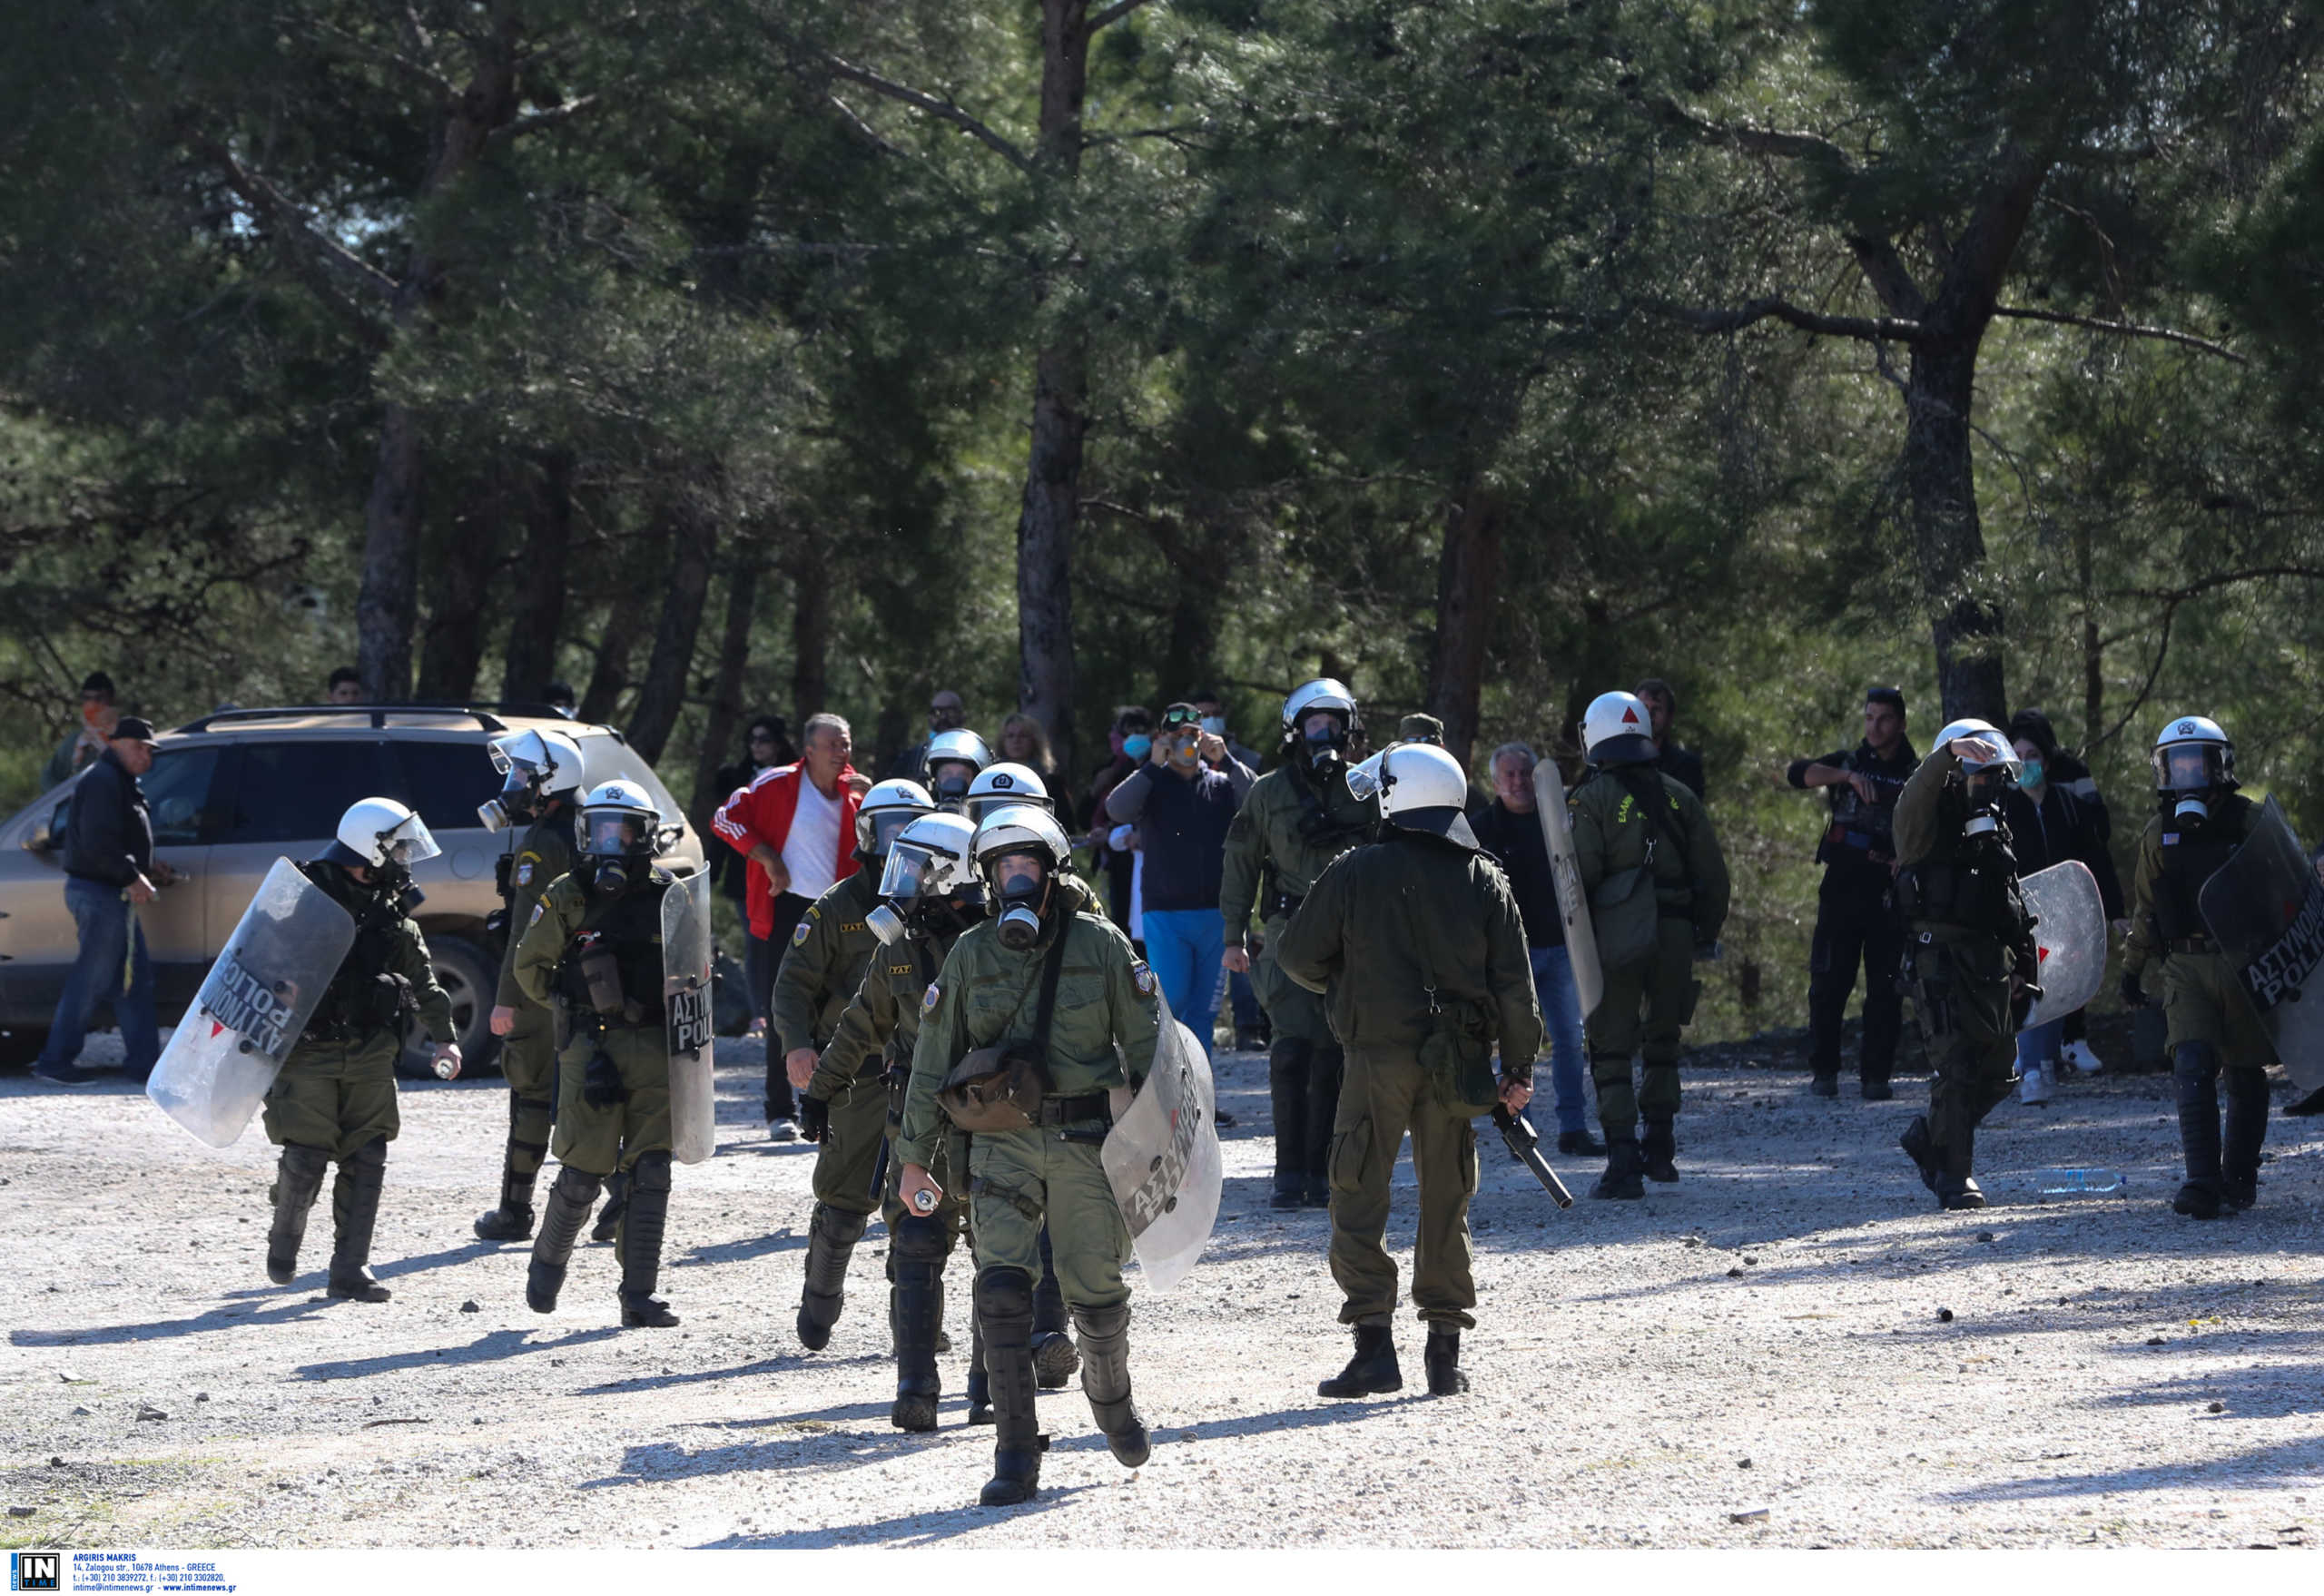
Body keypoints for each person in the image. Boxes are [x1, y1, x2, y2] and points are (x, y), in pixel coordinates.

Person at [896, 805, 1163, 1508]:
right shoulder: (971, 954)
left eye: (1028, 866)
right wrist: (913, 1158)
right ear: (987, 878)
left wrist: (1166, 1144)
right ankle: (1015, 1454)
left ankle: (1113, 1402)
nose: (1017, 879)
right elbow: (932, 1060)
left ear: (1052, 873)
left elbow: (1149, 1050)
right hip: (1000, 1144)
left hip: (1084, 1146)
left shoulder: (1102, 946)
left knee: (1096, 1297)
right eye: (1003, 868)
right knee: (1003, 1293)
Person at [1276, 742, 1541, 1400]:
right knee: (1446, 1200)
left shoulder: (1352, 871)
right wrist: (1519, 1068)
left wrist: (1345, 980)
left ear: (1396, 796)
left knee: (1357, 1193)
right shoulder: (1486, 878)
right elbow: (1517, 989)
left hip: (1375, 1060)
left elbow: (1297, 958)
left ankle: (1373, 1349)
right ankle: (1443, 1357)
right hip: (1462, 1066)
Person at [810, 811, 989, 1430]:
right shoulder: (901, 951)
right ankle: (917, 1386)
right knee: (916, 1239)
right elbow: (860, 1025)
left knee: (999, 1245)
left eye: (913, 869)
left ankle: (990, 1385)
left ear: (949, 876)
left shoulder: (1001, 945)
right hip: (918, 1113)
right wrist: (820, 1089)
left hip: (996, 1115)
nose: (899, 882)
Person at [260, 799, 462, 1302]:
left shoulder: (392, 916)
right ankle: (284, 1239)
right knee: (306, 1157)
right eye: (397, 847)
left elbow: (424, 983)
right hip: (307, 1051)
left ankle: (350, 1268)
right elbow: (255, 963)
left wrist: (446, 1038)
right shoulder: (299, 901)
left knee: (368, 1155)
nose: (405, 857)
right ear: (371, 850)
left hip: (371, 1049)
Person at [515, 781, 688, 1327]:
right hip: (592, 1048)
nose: (613, 842)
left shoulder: (670, 893)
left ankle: (639, 1297)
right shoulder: (567, 892)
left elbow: (695, 970)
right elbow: (530, 968)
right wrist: (577, 1006)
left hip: (656, 1050)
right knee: (584, 1169)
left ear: (645, 834)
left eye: (625, 830)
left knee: (653, 1169)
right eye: (602, 830)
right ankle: (546, 1267)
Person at [781, 779, 937, 1351]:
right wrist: (798, 1046)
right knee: (845, 1205)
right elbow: (793, 986)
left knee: (918, 1210)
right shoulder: (838, 907)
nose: (903, 843)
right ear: (869, 835)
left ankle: (916, 1329)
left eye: (913, 828)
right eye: (891, 829)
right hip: (854, 1073)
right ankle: (819, 1308)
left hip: (922, 1075)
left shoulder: (946, 908)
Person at [1220, 680, 1378, 1208]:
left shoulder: (1367, 787)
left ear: (1349, 729)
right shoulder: (1268, 792)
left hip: (1353, 933)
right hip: (1290, 929)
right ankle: (1288, 1173)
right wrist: (1232, 935)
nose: (1324, 733)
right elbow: (1240, 862)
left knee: (1336, 1051)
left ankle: (1324, 1171)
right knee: (1291, 1050)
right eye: (1314, 723)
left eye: (1334, 723)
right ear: (1295, 730)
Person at [1568, 691, 1731, 1198]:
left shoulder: (1589, 799)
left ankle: (1622, 1162)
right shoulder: (1681, 795)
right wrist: (1703, 933)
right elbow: (1714, 878)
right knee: (1663, 1041)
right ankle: (1660, 1150)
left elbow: (1579, 875)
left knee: (1610, 1045)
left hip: (1616, 937)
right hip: (1676, 934)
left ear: (1593, 736)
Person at [2119, 716, 2275, 1219]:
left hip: (2243, 964)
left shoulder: (2251, 824)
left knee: (2247, 1071)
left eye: (2196, 762)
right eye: (2176, 764)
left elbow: (2286, 894)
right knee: (2191, 1061)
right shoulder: (2157, 834)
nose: (2187, 773)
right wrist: (2133, 967)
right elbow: (2145, 909)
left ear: (2219, 766)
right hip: (2184, 965)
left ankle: (2239, 1178)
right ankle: (2202, 1182)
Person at [1893, 721, 2038, 1212]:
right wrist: (1947, 754)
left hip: (1988, 962)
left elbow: (2010, 899)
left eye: (1994, 777)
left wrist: (2023, 963)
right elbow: (1913, 797)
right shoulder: (1921, 829)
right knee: (1956, 1066)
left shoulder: (1995, 828)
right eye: (1977, 776)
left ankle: (1931, 1138)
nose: (1988, 787)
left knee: (2000, 1070)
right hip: (1939, 960)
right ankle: (1956, 1177)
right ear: (1953, 776)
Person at [713, 713, 865, 1142]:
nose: (842, 752)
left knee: (838, 1008)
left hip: (838, 913)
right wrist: (766, 857)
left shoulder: (856, 795)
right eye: (833, 745)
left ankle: (825, 1106)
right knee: (787, 1008)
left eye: (847, 744)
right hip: (785, 910)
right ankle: (779, 1109)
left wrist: (872, 800)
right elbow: (724, 818)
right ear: (809, 750)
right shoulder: (775, 783)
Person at [473, 729, 587, 1242]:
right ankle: (618, 1208)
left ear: (550, 781)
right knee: (596, 1093)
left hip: (543, 989)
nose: (515, 782)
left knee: (532, 1094)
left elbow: (525, 930)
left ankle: (514, 1212)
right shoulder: (592, 826)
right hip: (588, 983)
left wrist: (504, 1000)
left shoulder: (543, 841)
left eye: (524, 773)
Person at [1786, 687, 1920, 1099]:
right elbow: (1797, 774)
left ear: (1900, 723)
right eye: (1869, 717)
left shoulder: (1916, 773)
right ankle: (1824, 1072)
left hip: (1888, 893)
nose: (1874, 726)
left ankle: (1876, 1077)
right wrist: (1846, 776)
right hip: (1842, 887)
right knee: (1828, 983)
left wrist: (1909, 859)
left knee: (1885, 988)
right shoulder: (1848, 762)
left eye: (1883, 719)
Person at [1105, 703, 1256, 1063]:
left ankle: (1198, 1100)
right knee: (1171, 1008)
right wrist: (1152, 765)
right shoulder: (1152, 783)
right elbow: (1116, 809)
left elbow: (1259, 802)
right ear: (1163, 740)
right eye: (1178, 736)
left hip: (1215, 917)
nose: (1186, 743)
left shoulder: (1220, 784)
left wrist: (1229, 761)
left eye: (1193, 735)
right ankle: (1168, 1098)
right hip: (1166, 915)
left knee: (1202, 1014)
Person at [1470, 743, 1600, 1156]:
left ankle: (1574, 1128)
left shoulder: (1563, 824)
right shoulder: (1481, 830)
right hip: (1510, 958)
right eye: (1508, 775)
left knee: (1568, 1039)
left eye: (1525, 774)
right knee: (1513, 1046)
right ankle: (1515, 1128)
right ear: (1494, 782)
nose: (1518, 782)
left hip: (1560, 948)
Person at [34, 716, 176, 1086]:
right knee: (90, 982)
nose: (147, 755)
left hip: (112, 893)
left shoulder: (118, 779)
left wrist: (145, 869)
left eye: (150, 749)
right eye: (140, 747)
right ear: (117, 743)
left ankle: (146, 1067)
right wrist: (133, 876)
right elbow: (98, 844)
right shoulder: (102, 780)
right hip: (101, 893)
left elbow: (112, 839)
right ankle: (54, 1062)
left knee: (133, 982)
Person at [2001, 715, 2127, 1106]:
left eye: (2033, 755)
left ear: (2047, 759)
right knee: (2028, 989)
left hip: (2065, 916)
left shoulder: (2070, 806)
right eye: (2018, 756)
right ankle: (2031, 1072)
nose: (2026, 764)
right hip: (2021, 920)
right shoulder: (2003, 809)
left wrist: (2117, 912)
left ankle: (2046, 1060)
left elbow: (2096, 859)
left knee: (2058, 991)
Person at [707, 716, 796, 911]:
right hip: (745, 872)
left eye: (764, 739)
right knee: (755, 939)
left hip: (791, 871)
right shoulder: (734, 778)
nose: (756, 745)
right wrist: (711, 874)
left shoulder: (797, 778)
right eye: (752, 740)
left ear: (779, 743)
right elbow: (722, 829)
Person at [1086, 707, 1152, 940]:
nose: (1134, 736)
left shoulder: (1155, 767)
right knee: (1123, 925)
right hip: (1117, 862)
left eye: (1140, 729)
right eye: (1128, 730)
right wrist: (1096, 789)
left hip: (1147, 858)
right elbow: (1086, 813)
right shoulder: (1110, 768)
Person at [40, 671, 121, 793]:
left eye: (99, 698)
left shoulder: (128, 734)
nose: (92, 705)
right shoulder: (76, 741)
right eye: (87, 698)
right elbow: (48, 778)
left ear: (112, 699)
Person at [1634, 677, 1707, 802]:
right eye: (1643, 708)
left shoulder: (1686, 766)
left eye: (1656, 709)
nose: (1649, 714)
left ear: (1669, 717)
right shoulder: (1611, 759)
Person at [890, 689, 970, 782]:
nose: (943, 717)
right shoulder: (913, 757)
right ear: (930, 717)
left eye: (950, 712)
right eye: (937, 712)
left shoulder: (973, 752)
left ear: (961, 715)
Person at [995, 714, 1067, 808]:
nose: (1016, 740)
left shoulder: (1052, 783)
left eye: (1023, 735)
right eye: (1010, 736)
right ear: (1002, 741)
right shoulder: (992, 778)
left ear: (1035, 740)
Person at [1188, 687, 1264, 772]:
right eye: (1205, 716)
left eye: (1217, 714)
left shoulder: (1251, 760)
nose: (1212, 719)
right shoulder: (1183, 759)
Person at [920, 728, 993, 813]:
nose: (954, 781)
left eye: (963, 775)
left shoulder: (987, 820)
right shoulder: (919, 818)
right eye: (946, 773)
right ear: (934, 780)